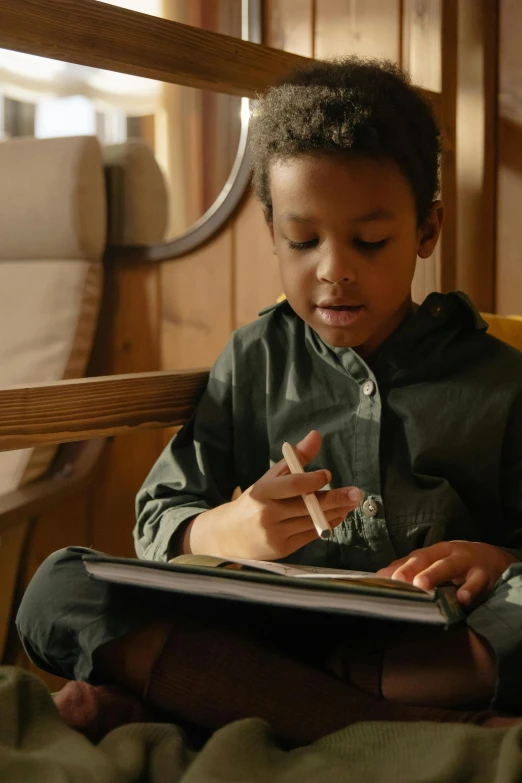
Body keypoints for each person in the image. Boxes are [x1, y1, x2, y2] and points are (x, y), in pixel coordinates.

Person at [16, 58, 522, 744]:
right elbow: (161, 516)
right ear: (272, 231)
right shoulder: (255, 358)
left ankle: (217, 697)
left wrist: (492, 559)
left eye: (370, 241)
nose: (333, 269)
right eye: (303, 239)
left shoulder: (497, 378)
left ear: (427, 230)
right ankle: (419, 729)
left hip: (428, 650)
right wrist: (231, 529)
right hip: (273, 633)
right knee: (58, 585)